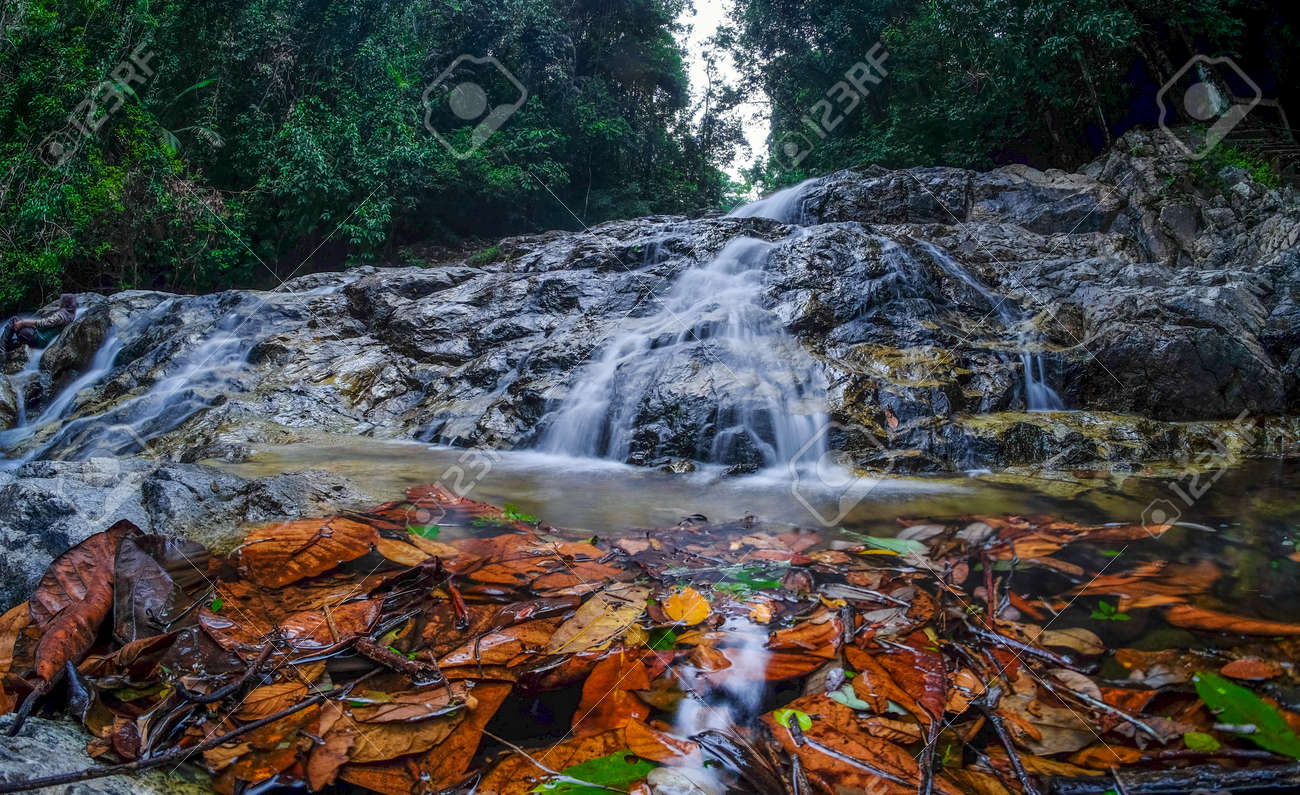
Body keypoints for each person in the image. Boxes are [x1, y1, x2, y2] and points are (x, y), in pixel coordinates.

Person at [3, 293, 78, 353]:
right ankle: (8, 347)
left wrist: (23, 322)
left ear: (65, 303)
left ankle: (1, 350)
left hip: (39, 339)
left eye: (62, 301)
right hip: (43, 341)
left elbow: (43, 324)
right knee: (13, 342)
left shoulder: (61, 316)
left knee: (14, 319)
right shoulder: (70, 315)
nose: (60, 303)